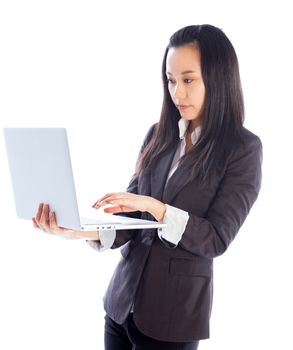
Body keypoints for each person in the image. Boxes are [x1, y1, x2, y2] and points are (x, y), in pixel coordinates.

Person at [32, 24, 263, 350]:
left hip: (172, 319)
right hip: (121, 306)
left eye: (187, 80)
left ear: (218, 77)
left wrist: (158, 208)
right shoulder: (159, 135)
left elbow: (216, 238)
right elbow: (131, 223)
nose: (177, 92)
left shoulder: (242, 149)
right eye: (170, 80)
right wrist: (74, 231)